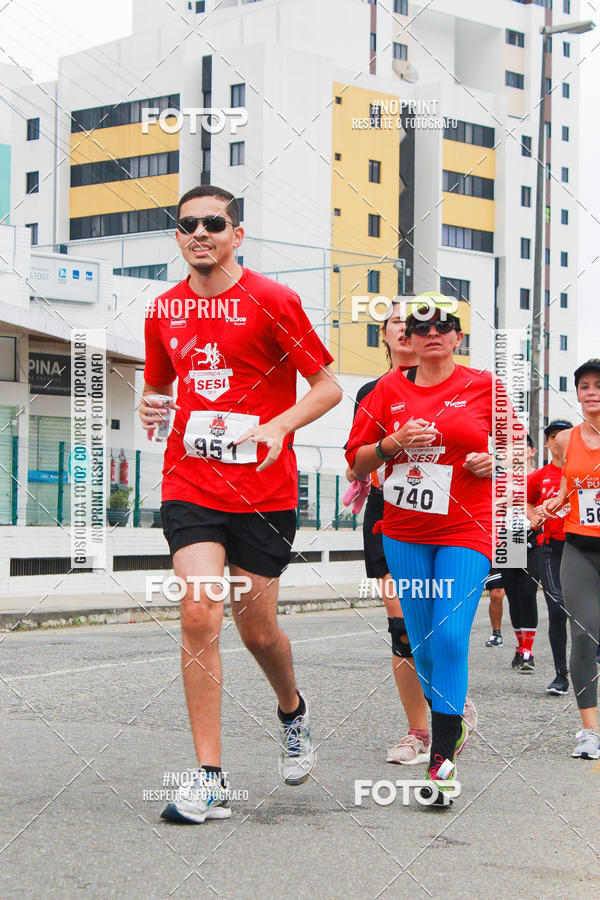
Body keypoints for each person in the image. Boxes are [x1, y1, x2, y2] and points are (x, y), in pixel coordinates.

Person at [139, 185, 341, 823]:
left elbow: (328, 387)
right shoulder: (163, 309)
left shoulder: (273, 300)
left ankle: (291, 710)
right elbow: (158, 387)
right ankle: (208, 778)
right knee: (199, 611)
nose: (199, 233)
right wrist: (151, 406)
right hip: (190, 481)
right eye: (187, 225)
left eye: (213, 223)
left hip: (265, 490)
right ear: (178, 237)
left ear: (236, 234)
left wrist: (279, 426)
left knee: (257, 629)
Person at [346, 298, 494, 804]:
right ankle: (452, 714)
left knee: (451, 636)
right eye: (421, 327)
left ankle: (442, 760)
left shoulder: (484, 386)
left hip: (466, 529)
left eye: (444, 326)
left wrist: (492, 460)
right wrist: (392, 443)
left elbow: (519, 450)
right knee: (421, 642)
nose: (433, 333)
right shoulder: (385, 391)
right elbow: (356, 462)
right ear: (407, 337)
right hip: (404, 531)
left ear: (457, 337)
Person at [543, 360, 600, 760]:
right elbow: (570, 483)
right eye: (585, 385)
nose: (592, 391)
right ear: (577, 392)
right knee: (583, 634)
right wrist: (555, 503)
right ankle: (590, 731)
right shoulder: (567, 440)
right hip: (578, 547)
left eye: (599, 385)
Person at [527, 419, 573, 694]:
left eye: (563, 435)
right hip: (550, 547)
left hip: (583, 548)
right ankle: (561, 676)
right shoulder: (540, 475)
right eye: (552, 436)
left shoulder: (585, 470)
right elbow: (525, 498)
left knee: (586, 611)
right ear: (546, 443)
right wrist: (533, 515)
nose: (558, 440)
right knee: (558, 610)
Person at [502, 436, 542, 674]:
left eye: (522, 447)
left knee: (528, 592)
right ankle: (520, 646)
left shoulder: (540, 476)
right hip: (509, 535)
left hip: (534, 535)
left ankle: (528, 650)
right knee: (514, 594)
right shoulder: (502, 479)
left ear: (532, 451)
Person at [484, 570, 505, 647]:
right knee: (496, 592)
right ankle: (497, 634)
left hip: (514, 558)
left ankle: (526, 638)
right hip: (493, 559)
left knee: (524, 594)